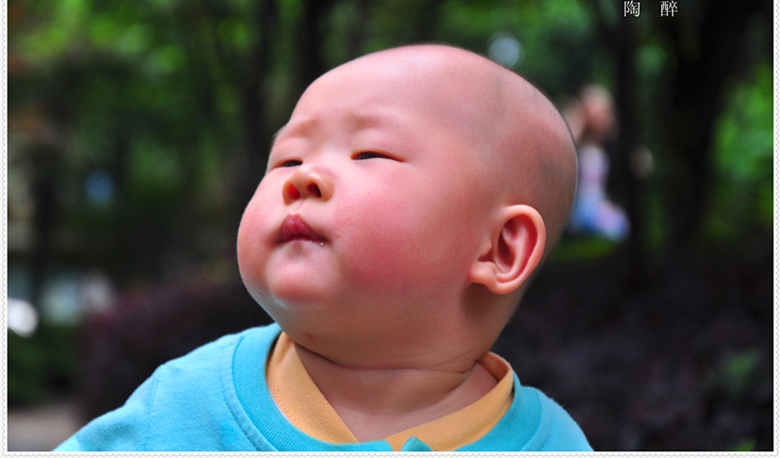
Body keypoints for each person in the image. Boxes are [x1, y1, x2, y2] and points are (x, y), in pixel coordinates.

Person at [55, 44, 591, 452]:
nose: (303, 177)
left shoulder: (554, 445)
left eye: (370, 152)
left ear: (501, 249)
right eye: (287, 159)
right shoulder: (183, 405)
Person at [564, 84, 629, 241]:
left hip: (596, 207)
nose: (599, 118)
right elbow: (567, 143)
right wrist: (579, 117)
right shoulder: (577, 146)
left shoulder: (607, 148)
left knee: (622, 224)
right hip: (577, 210)